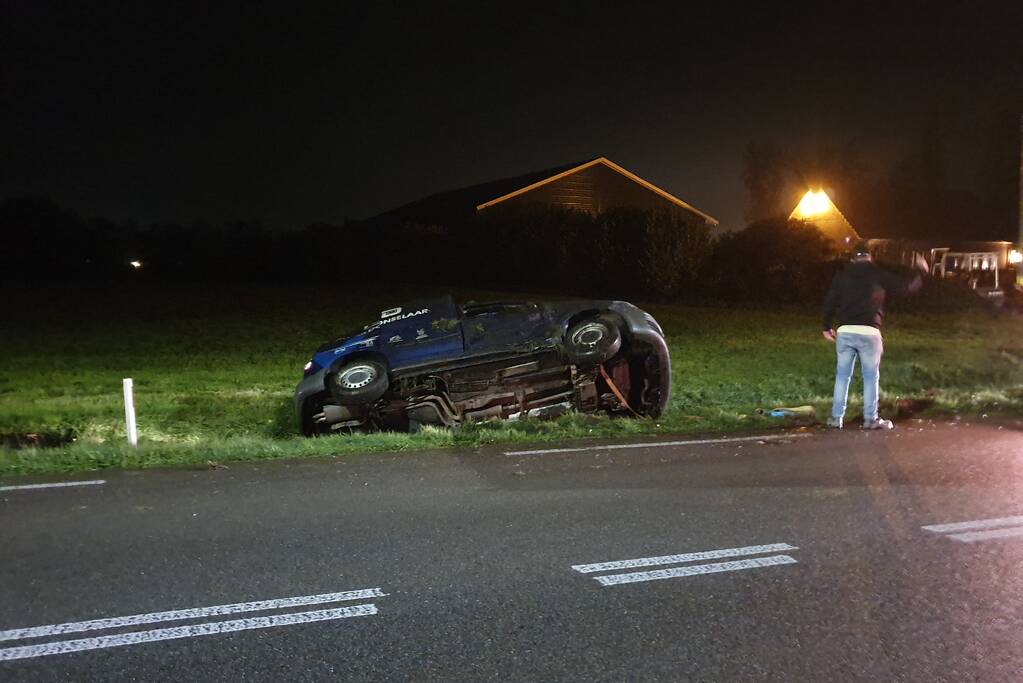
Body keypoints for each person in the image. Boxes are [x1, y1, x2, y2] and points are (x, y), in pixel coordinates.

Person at [822, 244, 929, 429]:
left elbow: (830, 301)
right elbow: (907, 287)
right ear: (870, 258)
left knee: (842, 376)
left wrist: (826, 326)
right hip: (870, 333)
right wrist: (921, 272)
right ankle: (871, 419)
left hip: (846, 331)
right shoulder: (879, 274)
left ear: (853, 259)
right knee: (871, 377)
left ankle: (836, 418)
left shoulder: (841, 276)